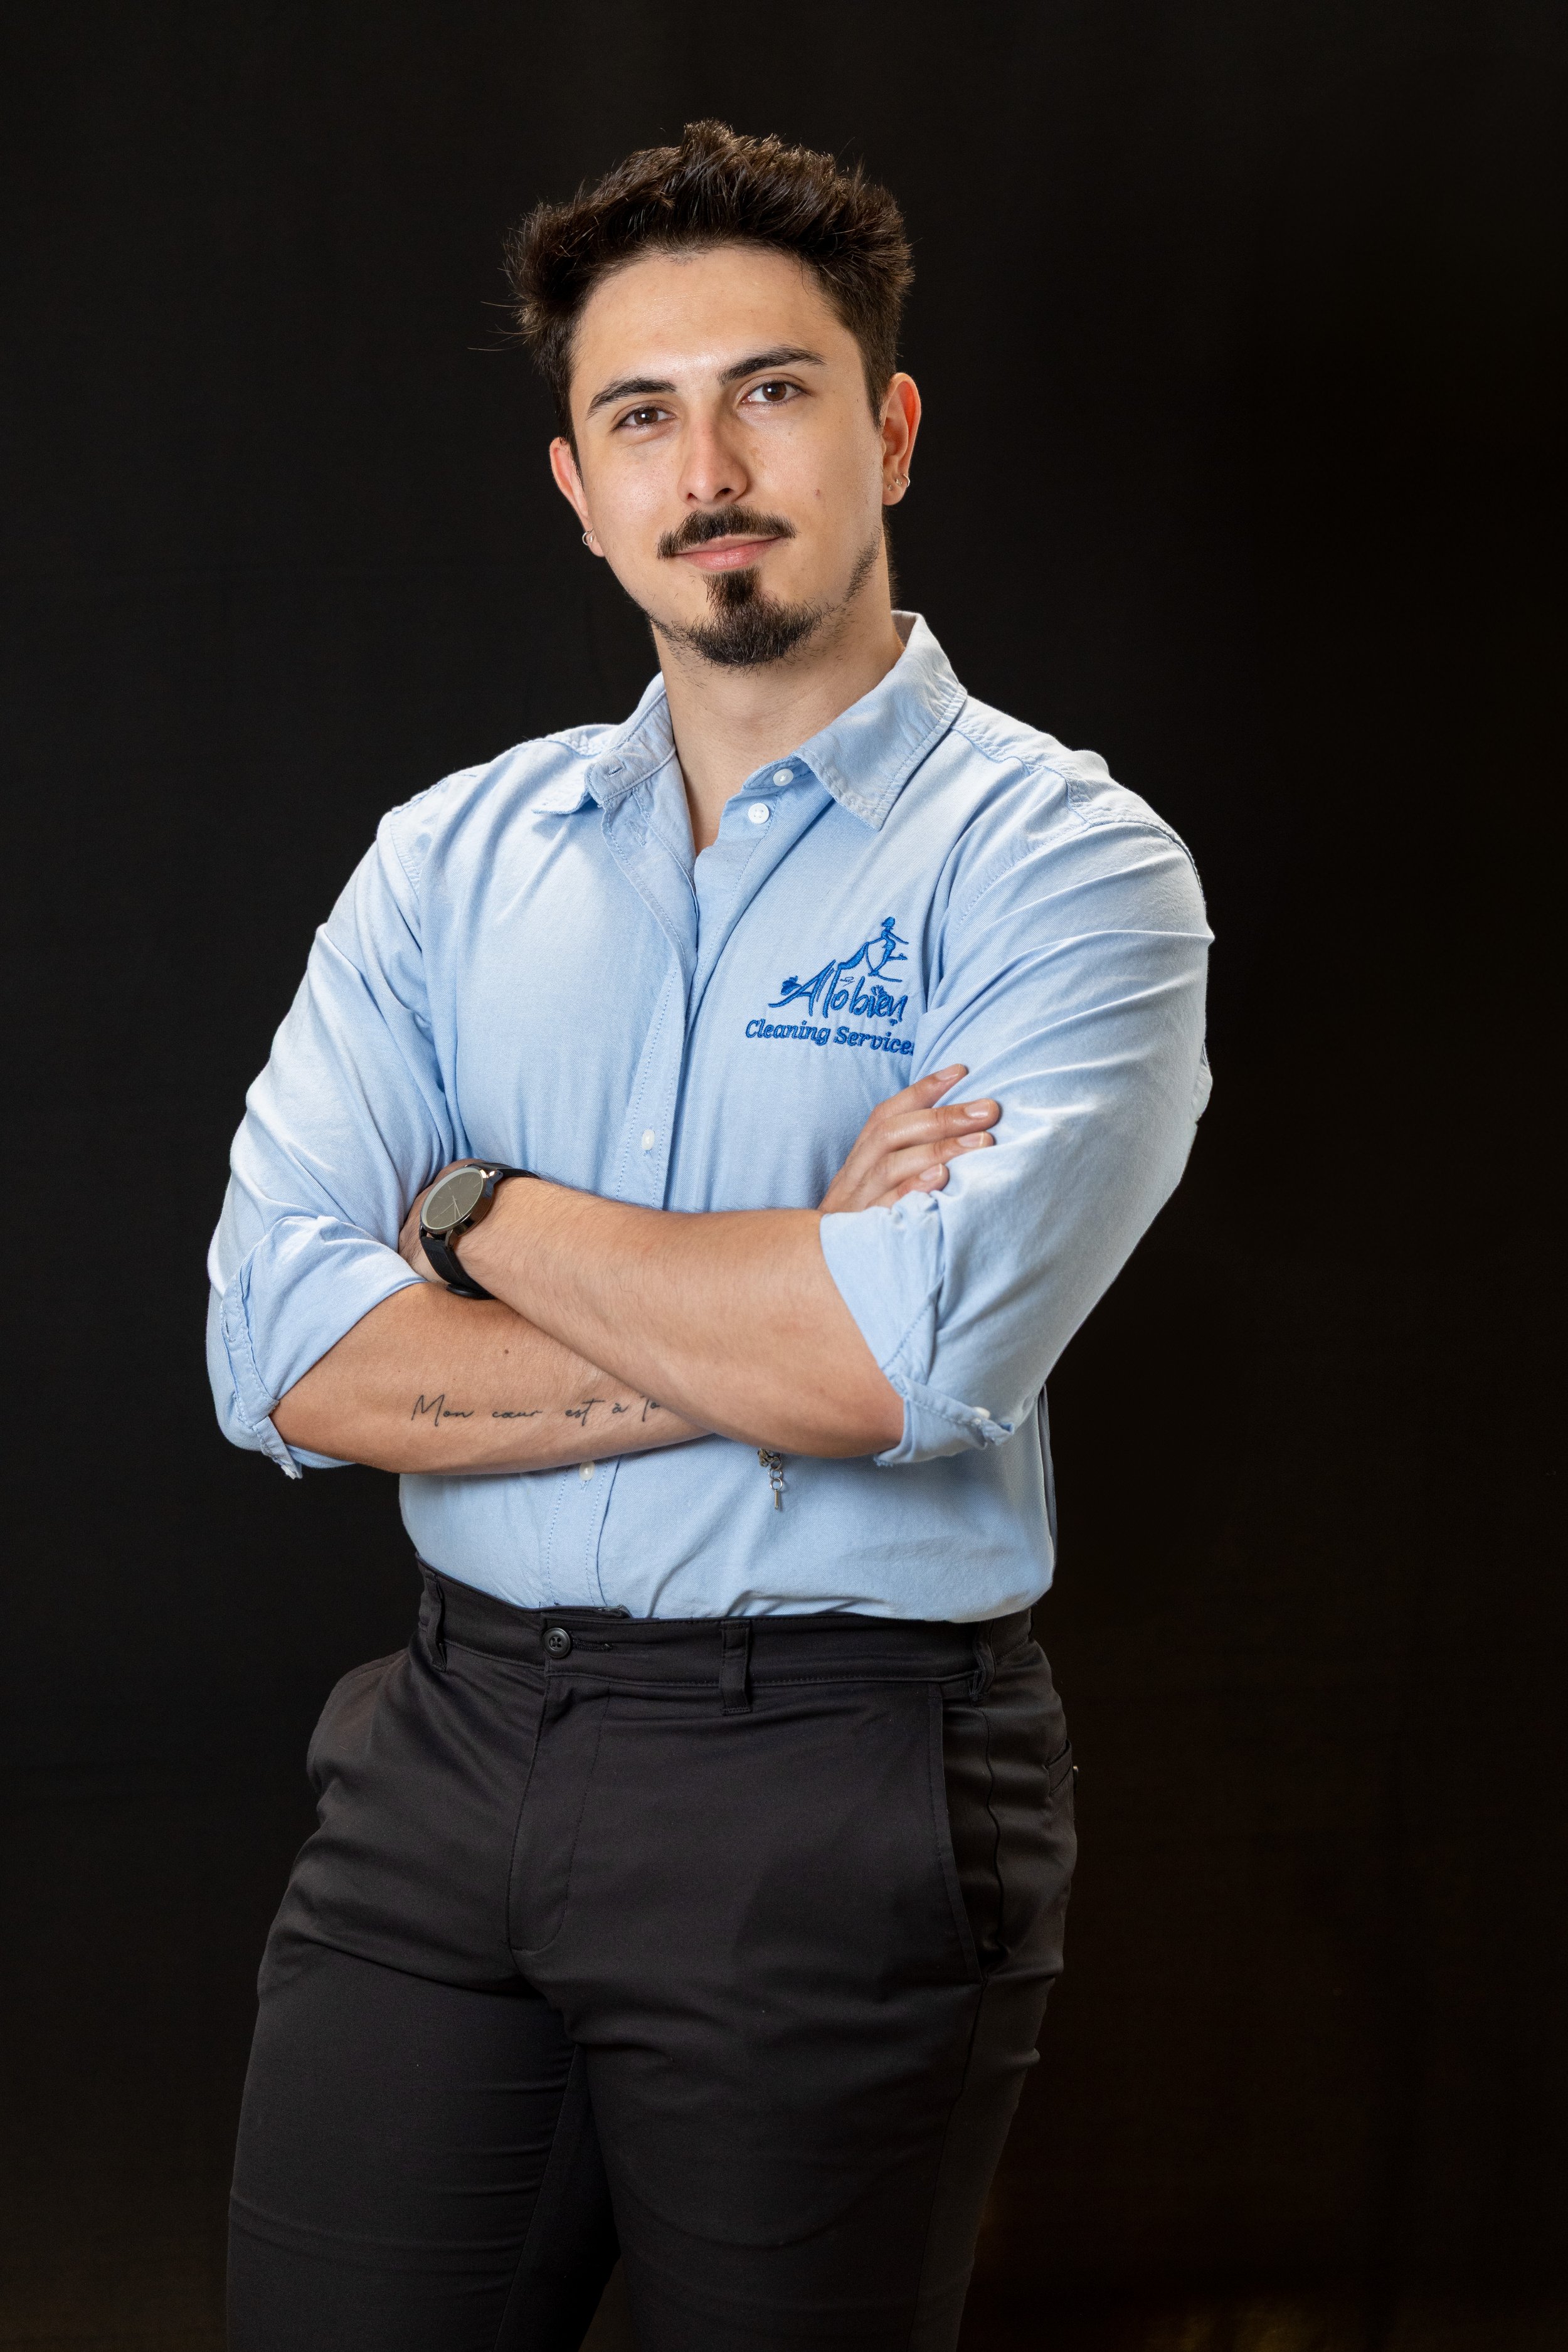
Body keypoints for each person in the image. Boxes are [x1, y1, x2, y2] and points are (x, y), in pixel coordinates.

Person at [209, 120, 1212, 2352]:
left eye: (771, 392)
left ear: (890, 430)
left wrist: (470, 1216)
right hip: (444, 1755)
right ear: (579, 486)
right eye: (643, 417)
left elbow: (893, 1366)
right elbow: (284, 1351)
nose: (713, 468)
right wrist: (766, 1278)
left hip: (832, 1778)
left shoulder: (1064, 868)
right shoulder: (445, 863)